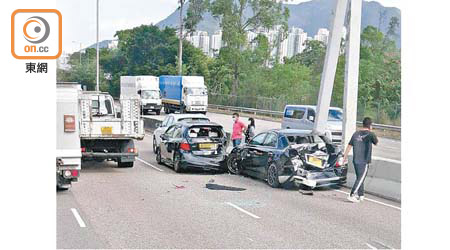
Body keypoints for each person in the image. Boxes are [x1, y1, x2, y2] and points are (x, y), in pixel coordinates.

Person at [343, 117, 379, 203]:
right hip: (364, 161)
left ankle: (361, 195)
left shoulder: (356, 134)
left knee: (360, 177)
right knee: (361, 178)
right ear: (370, 125)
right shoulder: (371, 134)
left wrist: (344, 157)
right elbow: (376, 143)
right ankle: (352, 195)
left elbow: (349, 145)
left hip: (356, 160)